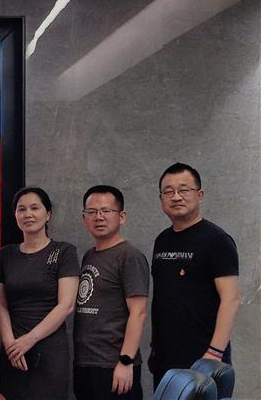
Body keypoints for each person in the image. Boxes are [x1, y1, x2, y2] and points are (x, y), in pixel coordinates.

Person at [149, 163, 240, 387]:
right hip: (165, 360)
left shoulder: (216, 240)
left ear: (200, 195)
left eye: (184, 190)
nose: (176, 197)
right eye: (168, 191)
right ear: (161, 199)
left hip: (204, 360)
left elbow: (231, 299)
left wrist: (214, 353)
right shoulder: (162, 240)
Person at [0, 187, 79, 400]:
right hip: (13, 351)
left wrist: (29, 340)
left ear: (48, 214)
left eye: (34, 208)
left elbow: (66, 305)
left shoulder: (64, 251)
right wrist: (10, 345)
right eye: (21, 209)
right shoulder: (6, 254)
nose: (28, 214)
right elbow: (0, 303)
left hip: (49, 349)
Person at [74, 185, 149, 400]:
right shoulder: (90, 255)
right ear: (84, 218)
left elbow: (139, 312)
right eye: (92, 212)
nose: (99, 217)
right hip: (85, 363)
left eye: (106, 211)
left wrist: (125, 361)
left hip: (114, 366)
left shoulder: (129, 256)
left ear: (121, 217)